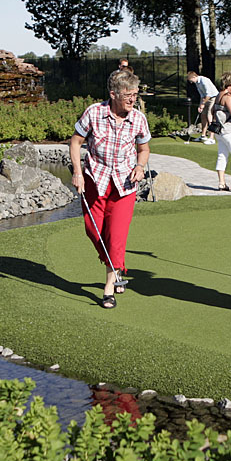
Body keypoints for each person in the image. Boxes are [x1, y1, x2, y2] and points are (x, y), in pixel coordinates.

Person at [69, 69, 151, 309]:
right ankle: (118, 266)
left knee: (115, 236)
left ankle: (109, 286)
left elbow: (144, 149)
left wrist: (140, 166)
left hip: (125, 185)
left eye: (135, 94)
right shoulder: (94, 113)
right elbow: (75, 141)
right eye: (128, 94)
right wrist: (76, 172)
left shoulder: (138, 119)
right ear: (113, 93)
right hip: (95, 179)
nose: (132, 99)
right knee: (93, 231)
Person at [186, 71, 219, 144]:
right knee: (203, 116)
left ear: (194, 77)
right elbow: (202, 95)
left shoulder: (204, 80)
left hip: (213, 98)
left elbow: (208, 94)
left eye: (191, 80)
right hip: (205, 99)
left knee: (210, 116)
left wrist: (203, 103)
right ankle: (203, 136)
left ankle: (211, 138)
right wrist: (200, 105)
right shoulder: (197, 83)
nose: (191, 82)